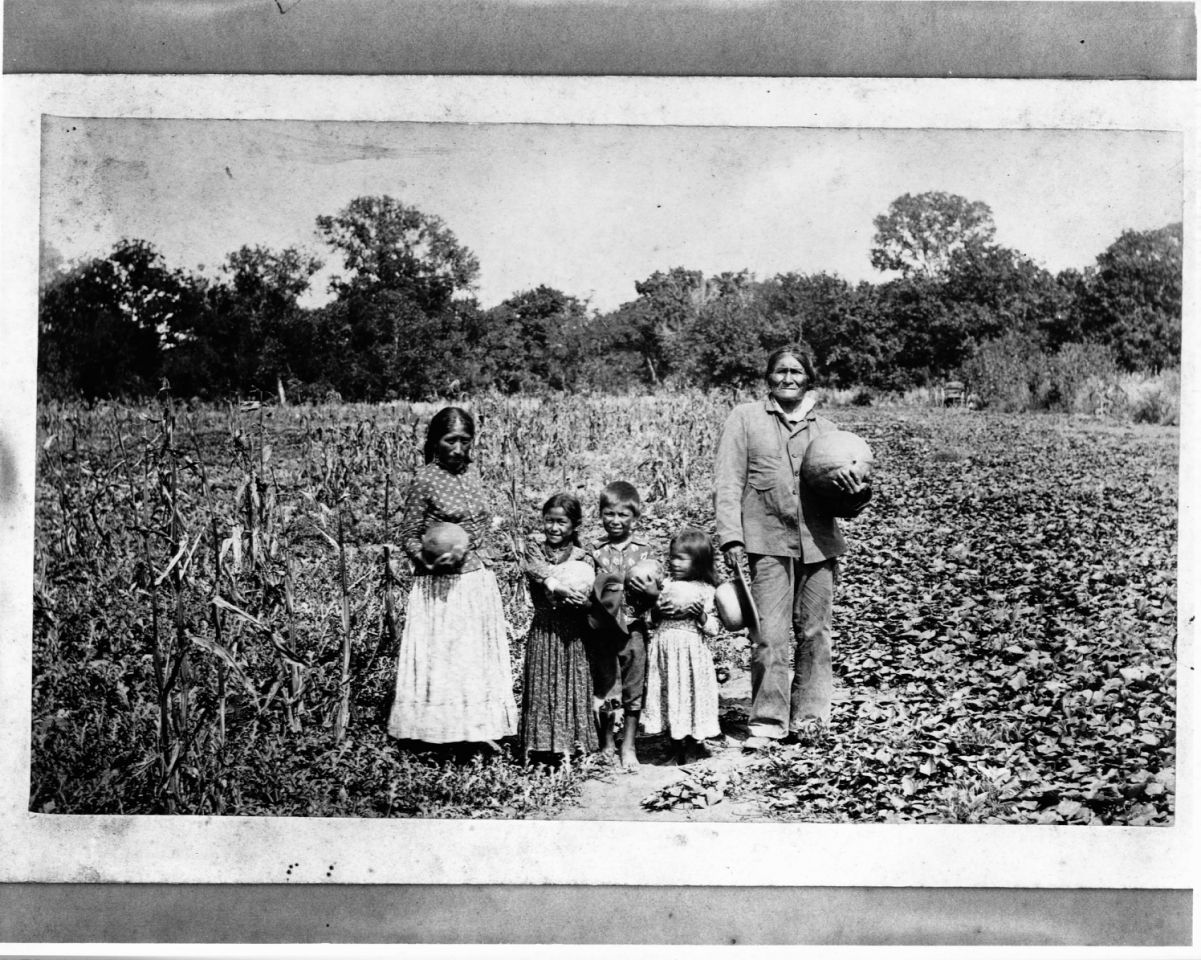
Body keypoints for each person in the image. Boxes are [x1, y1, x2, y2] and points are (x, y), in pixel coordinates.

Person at [713, 344, 867, 749]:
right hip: (766, 543)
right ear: (768, 377)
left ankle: (811, 717)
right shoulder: (745, 420)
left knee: (816, 633)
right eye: (780, 371)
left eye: (796, 372)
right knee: (769, 635)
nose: (787, 378)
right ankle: (767, 721)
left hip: (820, 544)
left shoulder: (828, 431)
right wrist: (731, 536)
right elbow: (728, 482)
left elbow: (846, 504)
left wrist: (855, 496)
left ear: (808, 378)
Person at [387, 406, 518, 747]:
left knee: (472, 657)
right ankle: (437, 736)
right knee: (445, 657)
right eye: (450, 441)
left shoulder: (473, 474)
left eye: (465, 440)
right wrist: (428, 561)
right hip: (441, 583)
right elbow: (409, 533)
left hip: (476, 579)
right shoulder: (425, 479)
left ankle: (475, 732)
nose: (458, 449)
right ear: (435, 441)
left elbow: (482, 522)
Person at [518, 493, 599, 762]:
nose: (554, 528)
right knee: (543, 681)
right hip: (544, 626)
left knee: (571, 681)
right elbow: (536, 571)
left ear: (574, 525)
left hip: (573, 631)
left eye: (561, 522)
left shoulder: (584, 556)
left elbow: (593, 592)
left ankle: (572, 745)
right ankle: (540, 748)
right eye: (549, 521)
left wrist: (584, 601)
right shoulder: (535, 549)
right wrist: (560, 587)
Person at [587, 480, 659, 769]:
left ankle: (628, 745)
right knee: (605, 685)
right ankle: (607, 742)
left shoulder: (645, 552)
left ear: (636, 518)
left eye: (623, 515)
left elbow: (656, 588)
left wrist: (653, 594)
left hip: (634, 629)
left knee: (633, 686)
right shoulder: (594, 550)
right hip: (603, 631)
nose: (615, 521)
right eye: (610, 514)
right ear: (601, 514)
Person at [642, 526, 723, 765]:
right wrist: (656, 611)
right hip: (665, 651)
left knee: (691, 695)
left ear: (698, 562)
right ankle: (674, 745)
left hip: (691, 654)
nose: (674, 563)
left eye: (682, 558)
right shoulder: (664, 586)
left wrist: (701, 617)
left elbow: (714, 629)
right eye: (672, 557)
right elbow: (649, 622)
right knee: (668, 695)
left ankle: (693, 745)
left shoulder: (707, 590)